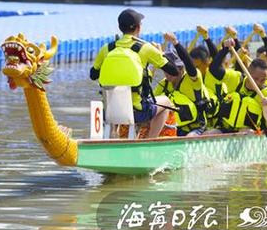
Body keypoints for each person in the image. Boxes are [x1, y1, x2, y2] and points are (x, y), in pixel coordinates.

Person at [90, 9, 178, 138]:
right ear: (138, 27)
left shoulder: (107, 48)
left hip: (109, 111)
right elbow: (174, 71)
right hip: (137, 112)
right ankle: (150, 141)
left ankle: (113, 136)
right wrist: (159, 53)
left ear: (120, 27)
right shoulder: (146, 48)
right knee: (166, 102)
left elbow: (93, 75)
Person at [208, 39, 267, 134]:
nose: (258, 83)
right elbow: (214, 69)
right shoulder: (236, 78)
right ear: (248, 73)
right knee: (207, 134)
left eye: (262, 80)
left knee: (245, 133)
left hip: (249, 133)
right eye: (255, 79)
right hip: (225, 128)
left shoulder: (265, 92)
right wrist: (225, 49)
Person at [156, 33, 217, 136]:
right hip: (173, 128)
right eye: (165, 69)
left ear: (181, 69)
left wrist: (175, 42)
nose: (167, 73)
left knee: (190, 137)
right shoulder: (164, 84)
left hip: (196, 129)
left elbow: (188, 63)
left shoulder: (193, 79)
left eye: (171, 69)